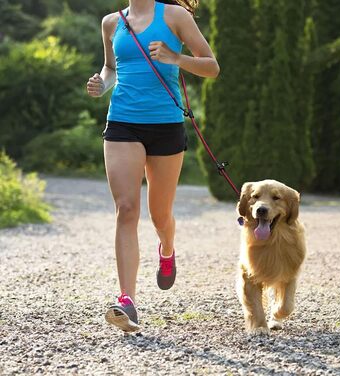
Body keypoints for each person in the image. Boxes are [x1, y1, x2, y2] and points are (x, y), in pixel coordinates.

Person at [86, 0, 219, 332]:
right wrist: (101, 84)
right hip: (122, 122)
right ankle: (127, 302)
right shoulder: (111, 23)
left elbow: (211, 65)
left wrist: (176, 58)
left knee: (160, 214)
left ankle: (168, 248)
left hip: (165, 125)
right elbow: (111, 69)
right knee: (126, 208)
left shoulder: (175, 16)